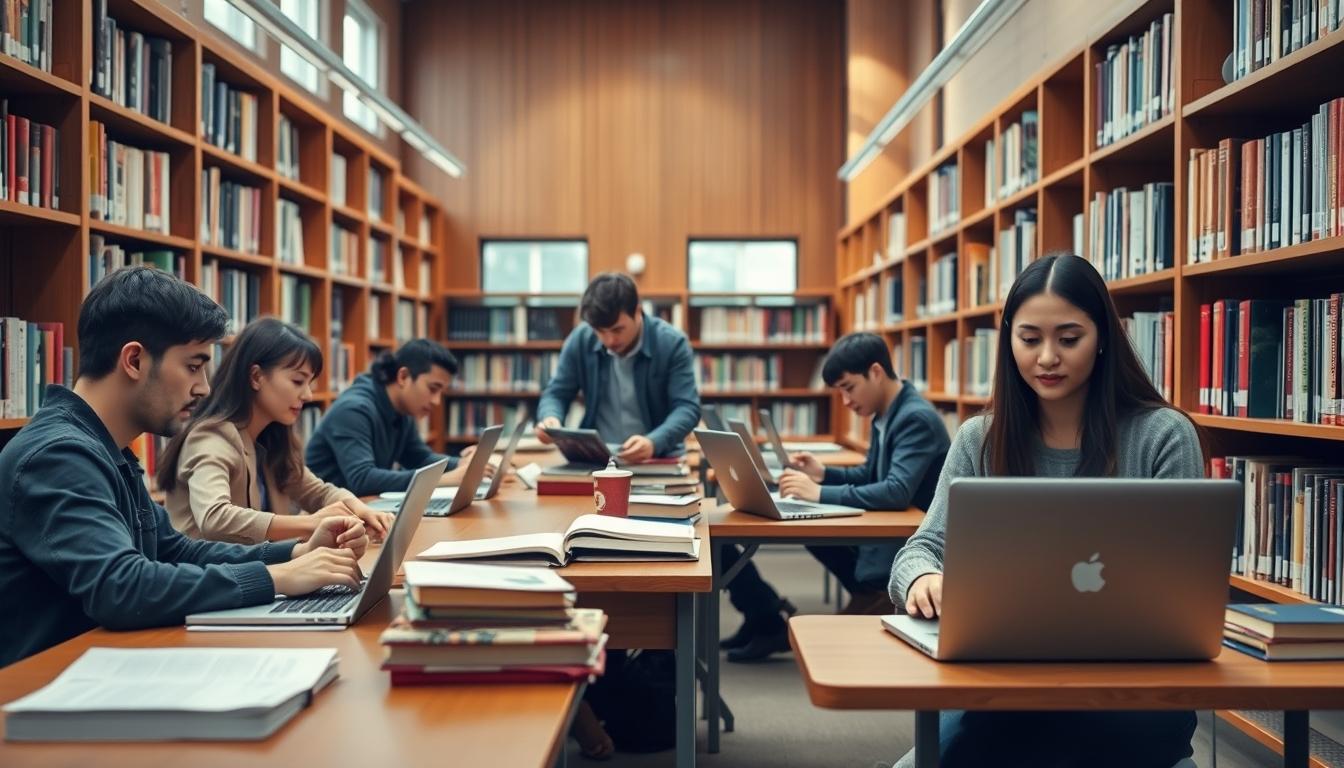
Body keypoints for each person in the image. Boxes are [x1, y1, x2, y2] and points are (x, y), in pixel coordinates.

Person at [890, 253, 1205, 768]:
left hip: (1134, 695)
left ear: (1103, 336)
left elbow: (1188, 583)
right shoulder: (980, 440)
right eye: (1030, 338)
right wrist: (923, 578)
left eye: (1069, 338)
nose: (1047, 358)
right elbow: (920, 549)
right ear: (1009, 339)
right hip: (1003, 693)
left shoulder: (1163, 436)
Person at [0, 267, 366, 668]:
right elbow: (121, 587)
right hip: (46, 692)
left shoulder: (107, 449)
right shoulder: (57, 456)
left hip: (106, 667)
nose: (204, 387)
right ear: (135, 360)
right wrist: (278, 578)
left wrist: (295, 553)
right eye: (194, 366)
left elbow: (175, 550)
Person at [720, 332, 949, 663]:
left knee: (814, 520)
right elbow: (872, 475)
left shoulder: (915, 418)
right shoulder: (886, 413)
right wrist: (823, 473)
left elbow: (896, 491)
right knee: (810, 523)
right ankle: (864, 594)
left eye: (848, 387)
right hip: (886, 532)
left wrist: (819, 492)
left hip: (905, 543)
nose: (845, 401)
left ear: (875, 372)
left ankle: (874, 594)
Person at [158, 317, 393, 545]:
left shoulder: (271, 438)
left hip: (256, 574)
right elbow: (215, 517)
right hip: (210, 580)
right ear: (257, 377)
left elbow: (319, 493)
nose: (308, 395)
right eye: (298, 381)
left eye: (309, 384)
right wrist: (309, 523)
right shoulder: (211, 437)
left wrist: (359, 509)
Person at [534, 273, 700, 461]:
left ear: (637, 311)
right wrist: (551, 418)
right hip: (595, 459)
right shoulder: (581, 339)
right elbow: (556, 393)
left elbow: (687, 407)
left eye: (617, 330)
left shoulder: (672, 343)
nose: (609, 340)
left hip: (656, 458)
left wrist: (654, 441)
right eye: (600, 331)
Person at [306, 338, 490, 495]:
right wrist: (442, 480)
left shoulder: (402, 410)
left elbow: (419, 458)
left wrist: (462, 464)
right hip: (327, 518)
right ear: (403, 377)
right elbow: (362, 479)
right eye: (433, 389)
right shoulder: (353, 410)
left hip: (361, 512)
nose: (436, 401)